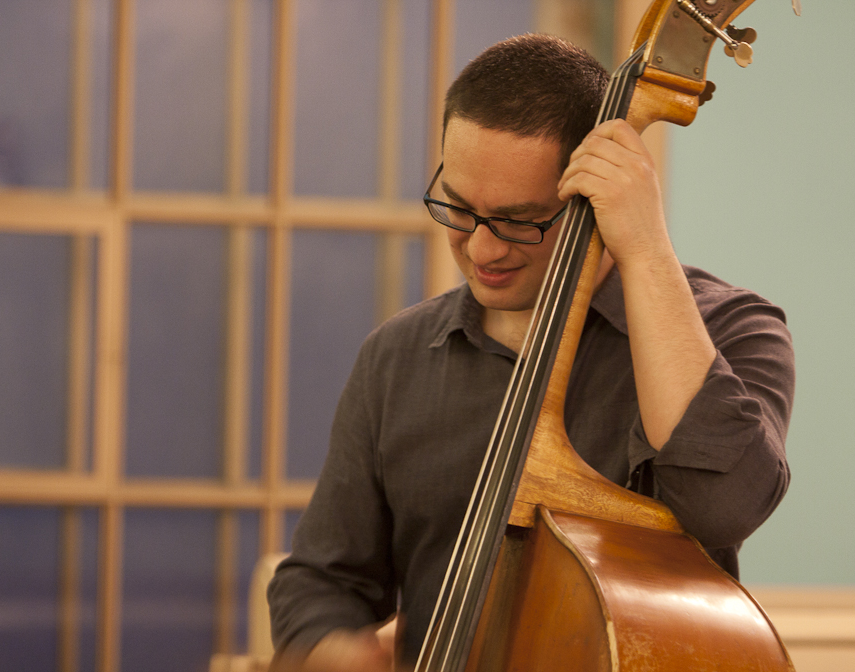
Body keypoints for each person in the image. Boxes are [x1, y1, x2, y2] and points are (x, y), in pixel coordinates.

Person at [267, 33, 794, 672]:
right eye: (458, 207)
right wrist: (334, 647)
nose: (482, 249)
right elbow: (321, 579)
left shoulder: (733, 329)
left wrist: (645, 247)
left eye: (520, 221)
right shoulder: (397, 356)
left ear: (592, 198)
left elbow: (723, 508)